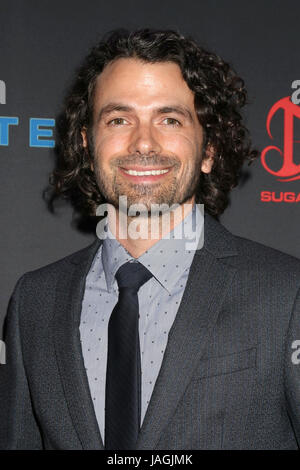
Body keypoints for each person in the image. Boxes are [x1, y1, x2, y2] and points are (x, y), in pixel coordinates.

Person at [1, 28, 300, 450]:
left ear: (209, 149)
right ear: (87, 146)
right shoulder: (35, 300)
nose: (143, 142)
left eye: (170, 119)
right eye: (119, 119)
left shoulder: (288, 295)